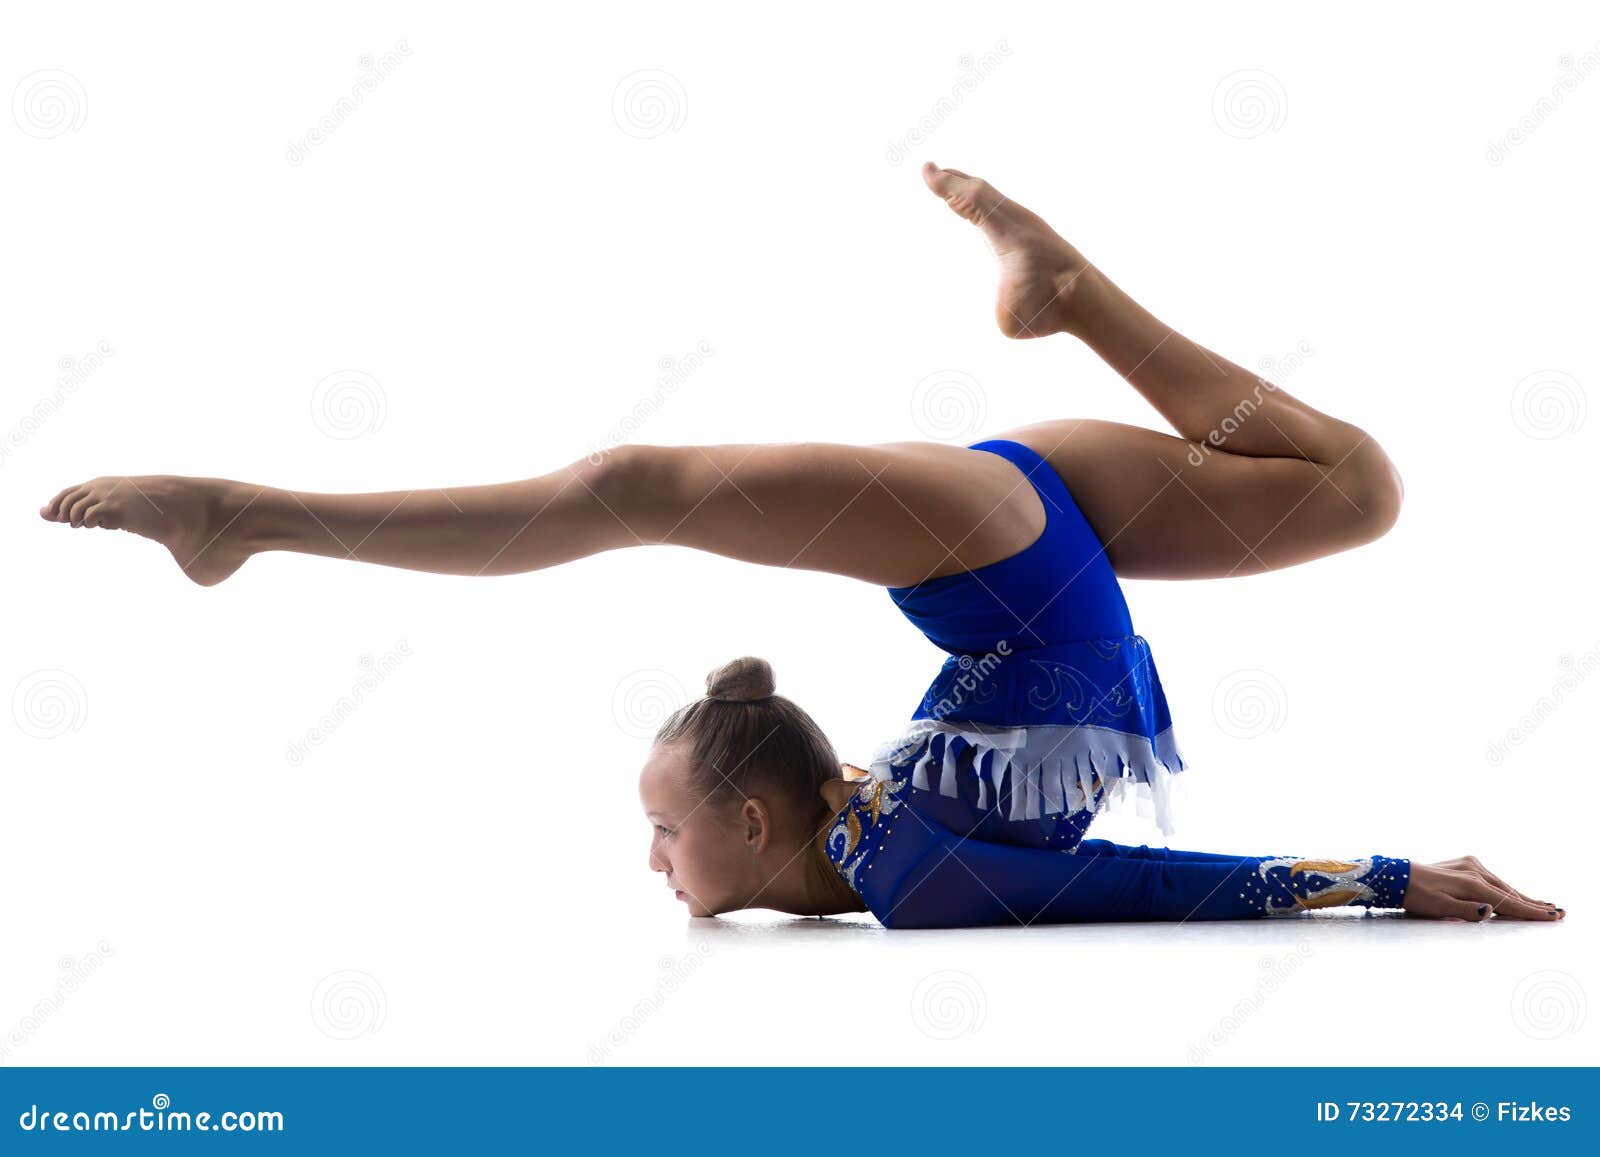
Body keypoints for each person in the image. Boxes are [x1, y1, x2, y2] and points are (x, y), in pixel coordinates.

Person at [40, 164, 1562, 928]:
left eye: (661, 828)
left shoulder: (890, 850)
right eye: (663, 830)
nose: (651, 855)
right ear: (761, 826)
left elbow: (1125, 879)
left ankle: (248, 517)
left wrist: (1380, 878)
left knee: (630, 481)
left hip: (1011, 560)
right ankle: (1066, 293)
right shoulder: (898, 864)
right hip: (1023, 553)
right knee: (1353, 491)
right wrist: (1382, 875)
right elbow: (1143, 888)